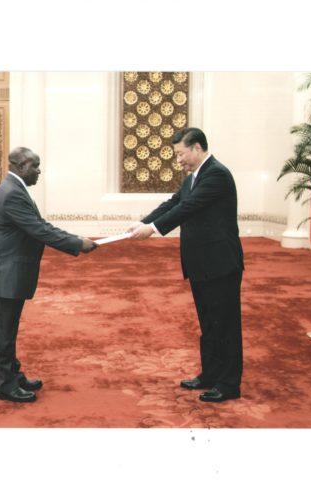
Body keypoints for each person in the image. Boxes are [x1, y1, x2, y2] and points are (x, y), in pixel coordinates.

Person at [129, 127, 244, 403]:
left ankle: (228, 384)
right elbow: (173, 203)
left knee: (225, 325)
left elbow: (187, 208)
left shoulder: (216, 174)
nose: (178, 160)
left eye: (181, 154)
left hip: (220, 263)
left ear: (197, 148)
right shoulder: (194, 177)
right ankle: (210, 374)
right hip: (201, 264)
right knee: (208, 323)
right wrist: (144, 222)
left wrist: (153, 229)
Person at [0, 147, 97, 403]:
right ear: (21, 166)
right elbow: (38, 230)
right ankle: (4, 386)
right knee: (4, 331)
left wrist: (75, 239)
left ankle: (13, 375)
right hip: (5, 272)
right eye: (35, 166)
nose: (39, 171)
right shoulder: (12, 193)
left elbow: (40, 225)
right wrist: (77, 244)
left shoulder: (15, 188)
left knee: (9, 329)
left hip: (9, 270)